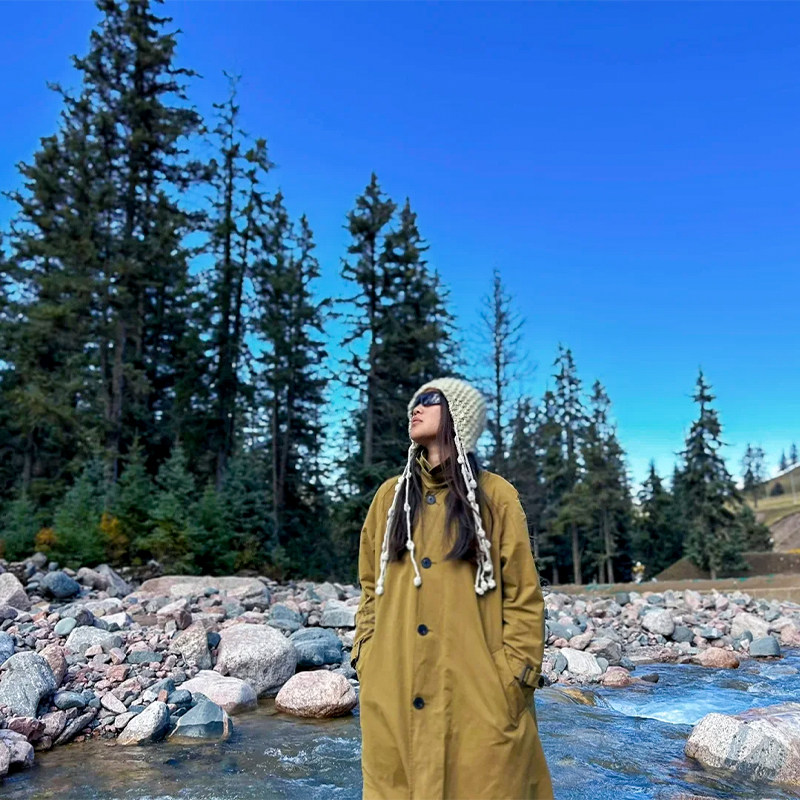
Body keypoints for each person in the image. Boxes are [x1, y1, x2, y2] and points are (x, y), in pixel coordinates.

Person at [351, 377, 554, 800]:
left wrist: (513, 679)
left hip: (479, 694)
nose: (415, 407)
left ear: (459, 415)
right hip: (392, 688)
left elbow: (523, 599)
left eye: (429, 400)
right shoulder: (389, 499)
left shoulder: (496, 497)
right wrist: (366, 655)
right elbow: (370, 587)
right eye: (415, 401)